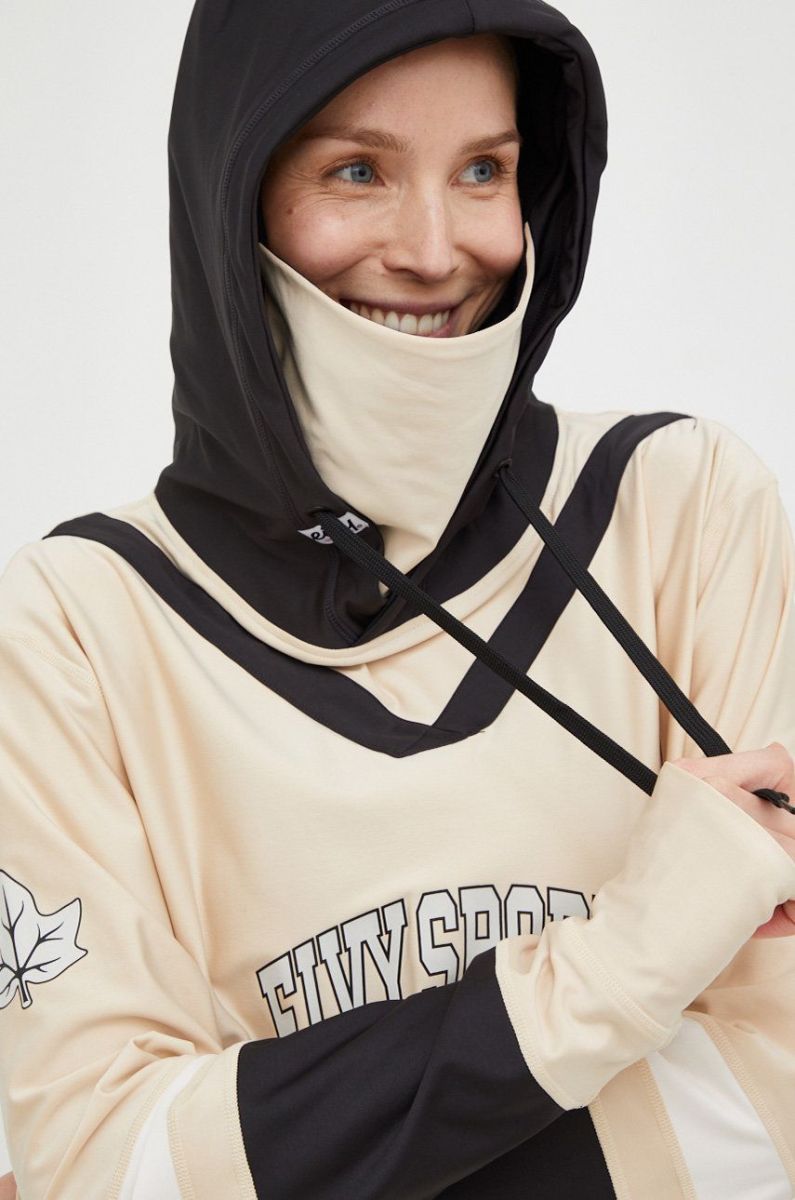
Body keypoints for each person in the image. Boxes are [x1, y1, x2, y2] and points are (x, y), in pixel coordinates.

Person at [1, 2, 794, 1197]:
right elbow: (111, 1164)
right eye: (358, 171)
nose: (434, 249)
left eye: (484, 170)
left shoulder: (680, 513)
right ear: (232, 197)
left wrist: (282, 1141)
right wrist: (624, 967)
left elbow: (778, 1104)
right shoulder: (78, 629)